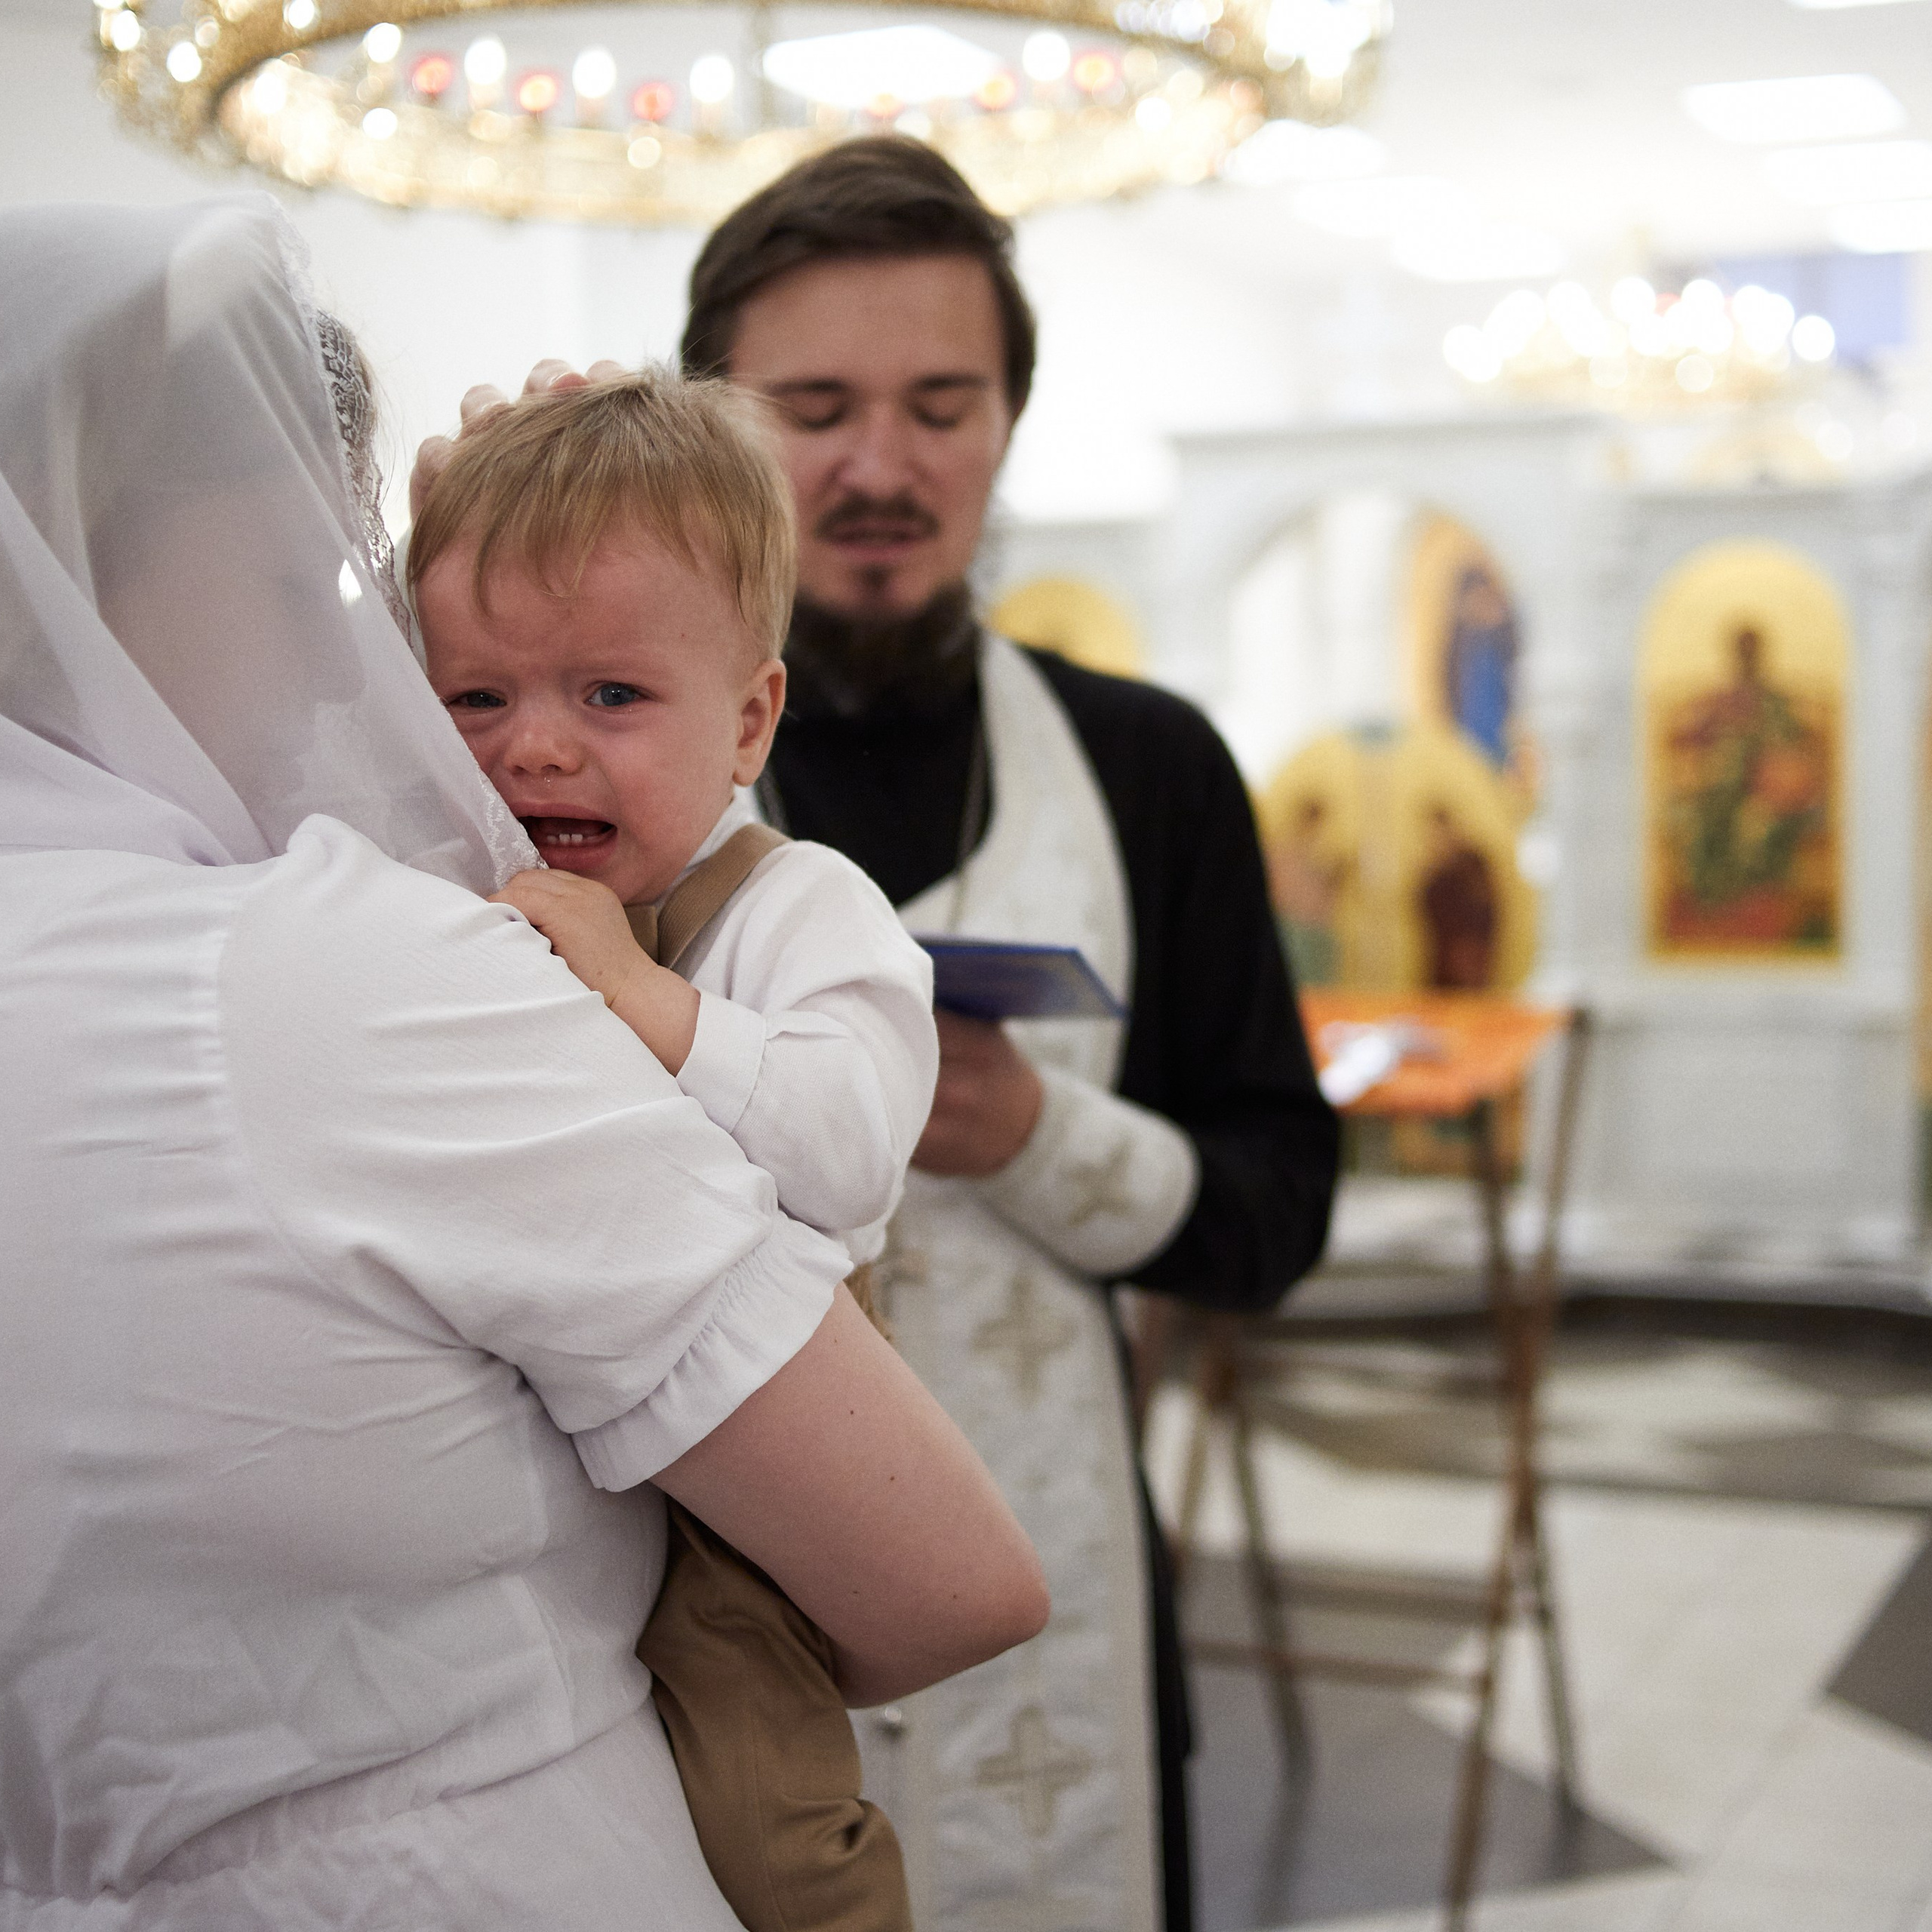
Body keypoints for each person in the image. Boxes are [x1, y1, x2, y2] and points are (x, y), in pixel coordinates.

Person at [0, 195, 1045, 1931]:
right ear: (89, 572)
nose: (349, 666)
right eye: (302, 583)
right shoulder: (344, 969)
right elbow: (949, 1581)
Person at [681, 136, 1342, 1932]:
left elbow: (1279, 1205)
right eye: (811, 406)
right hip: (700, 1648)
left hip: (1069, 1614)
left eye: (942, 405)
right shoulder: (581, 774)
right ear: (709, 423)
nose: (880, 466)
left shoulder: (1149, 767)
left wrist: (1035, 1134)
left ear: (1007, 425)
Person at [408, 368, 940, 1930]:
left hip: (751, 1449)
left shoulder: (798, 902)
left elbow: (851, 1148)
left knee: (755, 1791)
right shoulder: (452, 881)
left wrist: (647, 1001)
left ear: (748, 718)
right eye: (476, 697)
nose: (536, 752)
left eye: (611, 696)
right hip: (536, 1419)